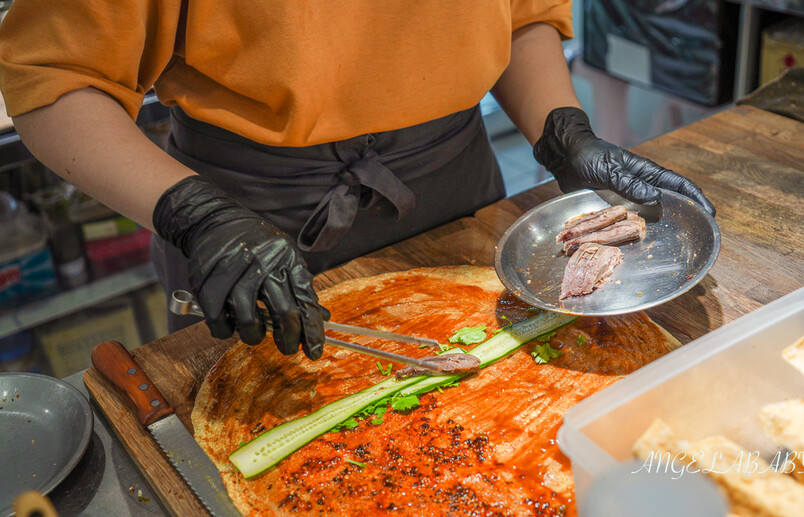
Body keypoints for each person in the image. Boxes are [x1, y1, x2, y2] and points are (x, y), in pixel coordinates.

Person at [0, 1, 714, 362]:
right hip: (251, 222)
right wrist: (196, 215)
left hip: (457, 189)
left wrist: (562, 131)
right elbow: (53, 79)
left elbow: (517, 14)